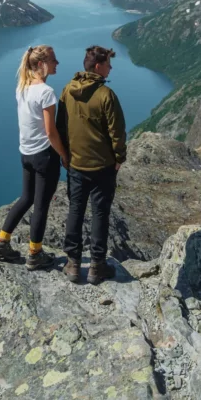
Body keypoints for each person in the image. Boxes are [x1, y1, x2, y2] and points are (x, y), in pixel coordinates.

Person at [0, 45, 68, 270]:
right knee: (41, 205)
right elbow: (50, 131)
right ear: (41, 64)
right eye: (53, 60)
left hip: (26, 153)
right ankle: (35, 253)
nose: (57, 63)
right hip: (44, 156)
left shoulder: (21, 87)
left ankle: (2, 243)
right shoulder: (46, 92)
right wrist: (64, 155)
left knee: (26, 198)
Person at [57, 45, 127, 285]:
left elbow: (60, 126)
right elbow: (117, 133)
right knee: (100, 213)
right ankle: (97, 266)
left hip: (76, 165)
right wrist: (119, 159)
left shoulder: (67, 90)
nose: (110, 68)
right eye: (108, 64)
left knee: (75, 210)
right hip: (102, 168)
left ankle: (73, 264)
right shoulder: (106, 95)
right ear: (98, 67)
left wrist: (65, 155)